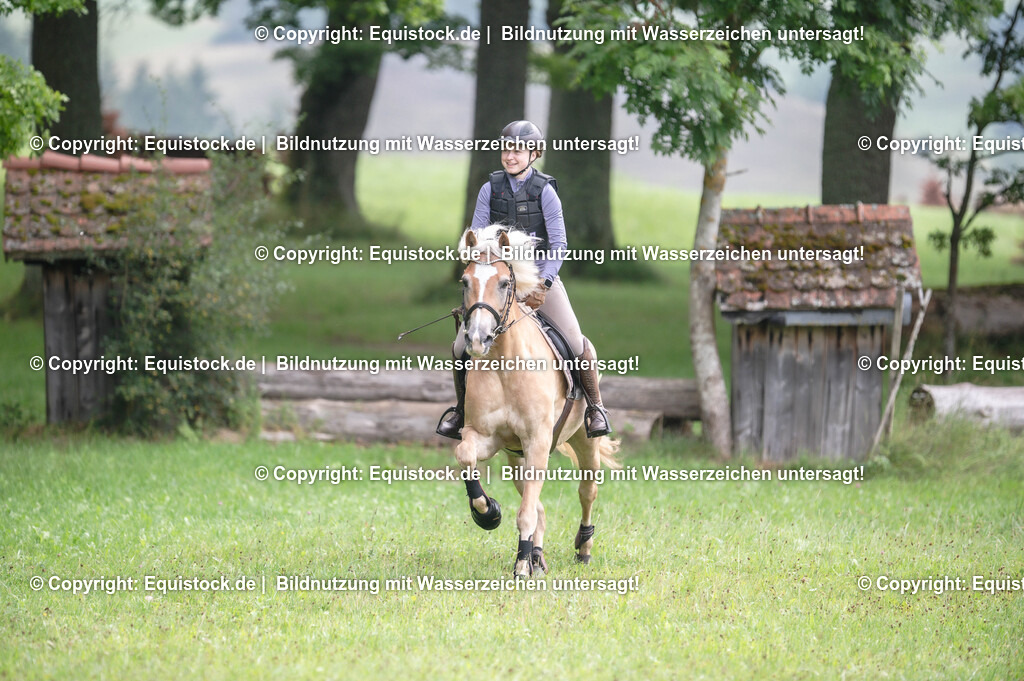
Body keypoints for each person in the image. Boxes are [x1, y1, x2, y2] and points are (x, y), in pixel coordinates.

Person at [436, 119, 611, 440]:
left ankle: (594, 409)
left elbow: (559, 245)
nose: (510, 156)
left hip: (538, 280)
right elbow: (477, 238)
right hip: (498, 281)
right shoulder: (489, 189)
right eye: (506, 149)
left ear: (534, 154)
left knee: (576, 342)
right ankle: (461, 410)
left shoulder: (546, 192)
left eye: (518, 150)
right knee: (460, 346)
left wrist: (545, 284)